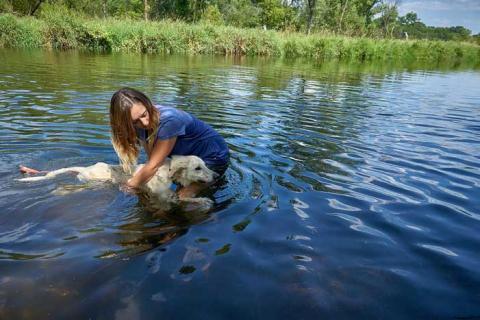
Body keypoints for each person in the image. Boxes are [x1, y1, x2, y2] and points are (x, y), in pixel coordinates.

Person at [109, 87, 229, 198]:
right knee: (153, 195)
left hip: (213, 157)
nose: (145, 123)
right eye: (135, 122)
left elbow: (153, 166)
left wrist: (128, 187)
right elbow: (152, 161)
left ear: (147, 103)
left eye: (144, 114)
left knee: (184, 196)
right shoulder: (139, 126)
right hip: (187, 158)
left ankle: (213, 217)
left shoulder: (170, 121)